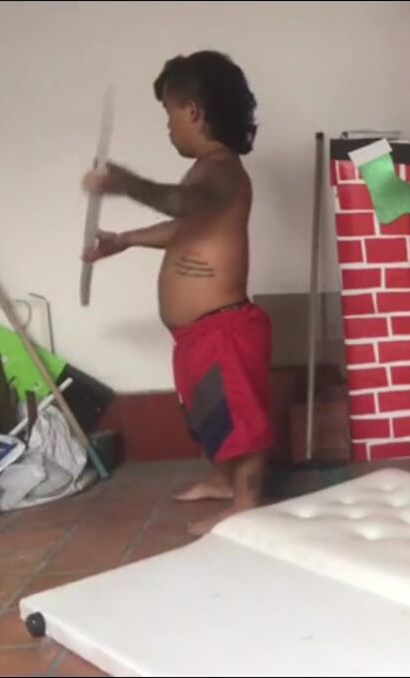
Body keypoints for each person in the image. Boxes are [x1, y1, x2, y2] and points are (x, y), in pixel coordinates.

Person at [81, 50, 270, 536]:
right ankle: (226, 482)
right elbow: (185, 227)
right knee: (211, 414)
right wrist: (124, 240)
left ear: (193, 110)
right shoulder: (205, 172)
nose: (167, 127)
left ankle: (248, 501)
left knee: (238, 418)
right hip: (198, 334)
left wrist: (126, 183)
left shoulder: (222, 172)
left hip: (224, 328)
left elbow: (183, 204)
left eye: (169, 114)